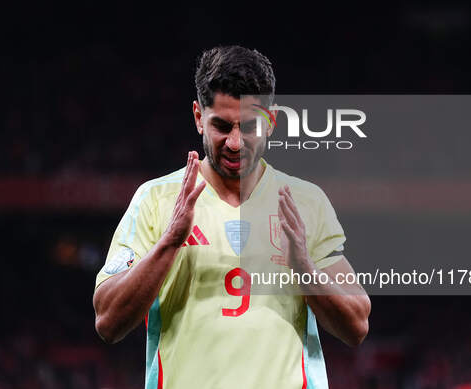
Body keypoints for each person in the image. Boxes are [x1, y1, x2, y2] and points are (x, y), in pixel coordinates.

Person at [92, 45, 370, 389]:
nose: (235, 143)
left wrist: (303, 266)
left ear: (271, 122)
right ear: (198, 117)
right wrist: (169, 243)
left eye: (249, 126)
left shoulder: (305, 201)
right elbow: (107, 321)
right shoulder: (156, 199)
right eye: (221, 126)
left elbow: (357, 325)